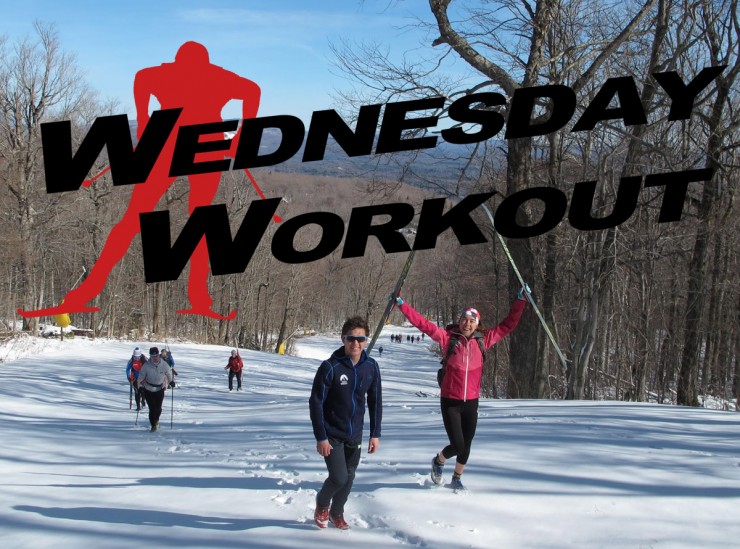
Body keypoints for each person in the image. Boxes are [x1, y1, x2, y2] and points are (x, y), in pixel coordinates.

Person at [18, 41, 264, 320]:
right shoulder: (217, 77)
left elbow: (142, 77)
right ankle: (197, 292)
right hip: (200, 146)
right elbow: (252, 90)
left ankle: (89, 289)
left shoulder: (165, 74)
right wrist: (245, 132)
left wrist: (145, 118)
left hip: (169, 144)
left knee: (138, 219)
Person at [394, 286, 529, 491]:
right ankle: (439, 461)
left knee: (467, 443)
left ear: (477, 324)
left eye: (472, 321)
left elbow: (508, 325)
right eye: (464, 320)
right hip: (450, 401)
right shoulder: (448, 339)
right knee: (457, 445)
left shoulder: (485, 340)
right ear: (460, 321)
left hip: (471, 401)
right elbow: (423, 324)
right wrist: (402, 305)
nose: (467, 324)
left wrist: (521, 301)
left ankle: (457, 477)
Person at [309, 316, 382, 530]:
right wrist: (321, 437)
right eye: (351, 339)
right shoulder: (330, 367)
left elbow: (375, 401)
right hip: (332, 434)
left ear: (366, 341)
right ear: (343, 339)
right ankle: (322, 503)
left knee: (349, 477)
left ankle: (337, 512)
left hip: (355, 434)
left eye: (361, 339)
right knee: (339, 477)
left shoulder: (371, 367)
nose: (356, 343)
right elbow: (315, 403)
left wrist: (375, 433)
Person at [137, 346, 175, 432]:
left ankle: (156, 420)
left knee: (158, 409)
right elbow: (141, 377)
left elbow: (169, 373)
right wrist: (140, 387)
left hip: (159, 389)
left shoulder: (163, 364)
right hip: (148, 389)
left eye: (156, 356)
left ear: (159, 355)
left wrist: (171, 381)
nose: (155, 358)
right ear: (150, 356)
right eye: (153, 357)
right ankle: (153, 425)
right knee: (152, 409)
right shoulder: (146, 366)